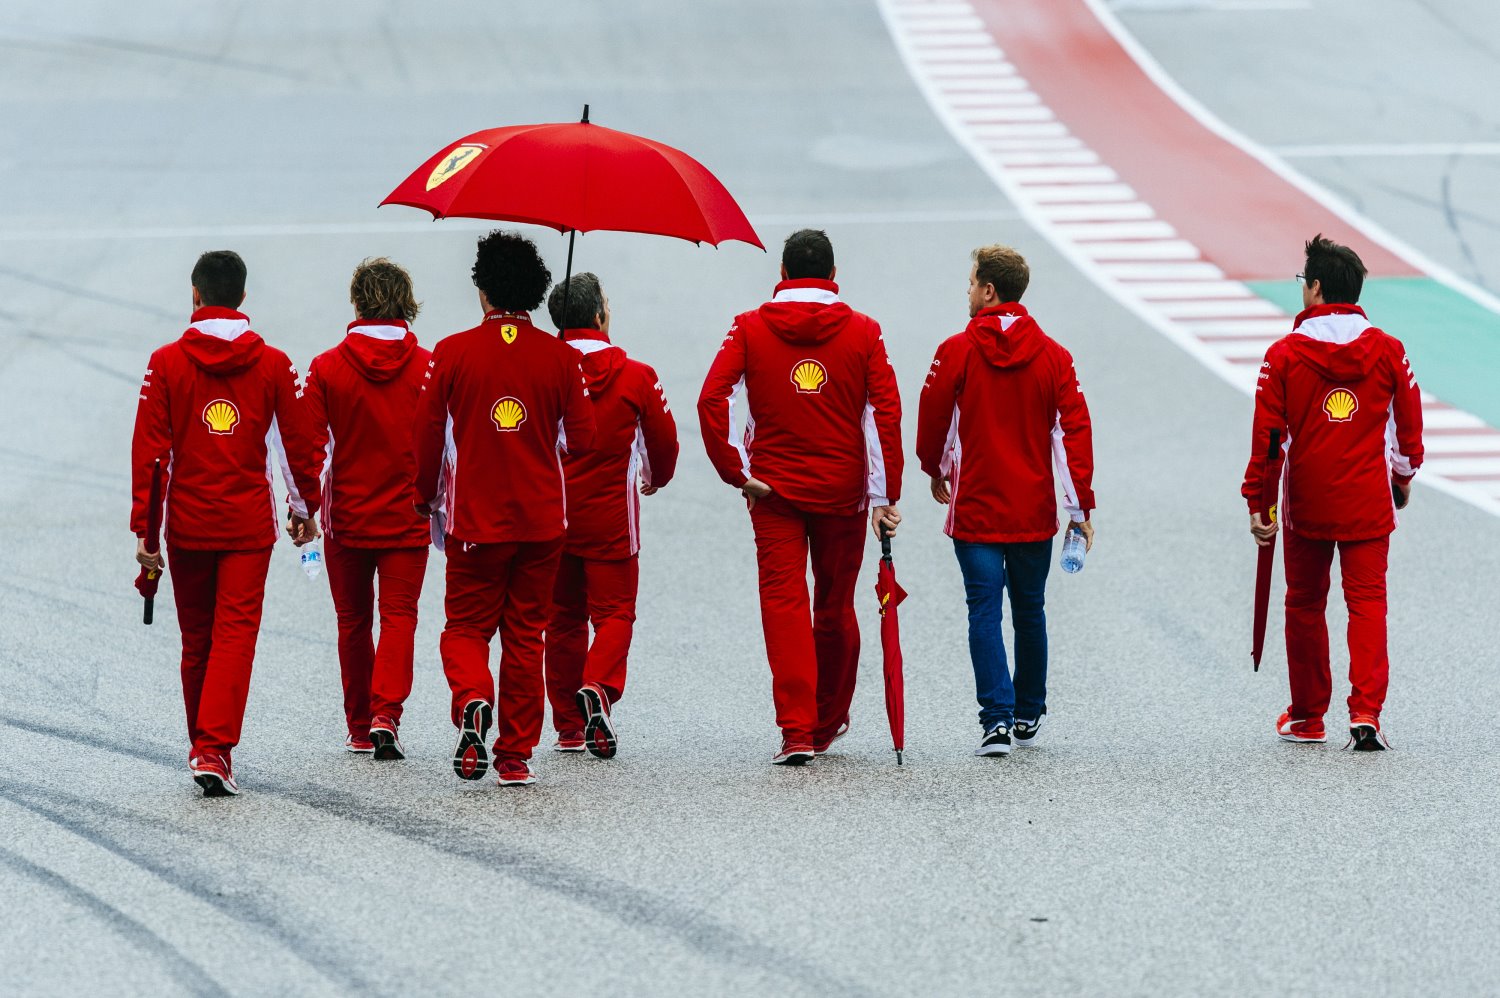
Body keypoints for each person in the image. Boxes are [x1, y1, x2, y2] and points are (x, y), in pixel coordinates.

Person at [697, 229, 903, 766]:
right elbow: (885, 414)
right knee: (834, 606)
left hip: (773, 491)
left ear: (783, 274)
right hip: (843, 493)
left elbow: (711, 396)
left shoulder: (748, 327)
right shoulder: (864, 331)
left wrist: (735, 472)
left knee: (783, 604)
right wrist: (885, 495)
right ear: (834, 278)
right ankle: (827, 718)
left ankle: (795, 730)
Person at [131, 250, 323, 797]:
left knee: (197, 639)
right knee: (235, 634)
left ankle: (204, 746)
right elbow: (298, 446)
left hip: (187, 524)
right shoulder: (274, 364)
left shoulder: (165, 362)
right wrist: (304, 510)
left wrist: (147, 537)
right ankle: (213, 749)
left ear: (195, 295)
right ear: (242, 299)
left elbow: (151, 456)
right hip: (245, 526)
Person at [413, 231, 595, 787]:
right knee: (525, 634)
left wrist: (424, 498)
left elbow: (425, 438)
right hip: (542, 520)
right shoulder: (562, 356)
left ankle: (472, 698)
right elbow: (584, 440)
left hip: (475, 517)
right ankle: (515, 755)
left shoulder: (451, 352)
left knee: (465, 627)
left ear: (483, 290)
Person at [1243, 234, 1423, 751]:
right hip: (1369, 498)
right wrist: (1402, 479)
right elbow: (1409, 431)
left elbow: (1269, 438)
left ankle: (1307, 717)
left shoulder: (1282, 356)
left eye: (1304, 281)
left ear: (1316, 287)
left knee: (1304, 604)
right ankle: (1366, 712)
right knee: (1368, 603)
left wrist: (1261, 502)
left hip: (1308, 502)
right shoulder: (1389, 350)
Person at [915, 245, 1094, 757]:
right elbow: (1072, 435)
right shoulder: (1056, 356)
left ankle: (994, 720)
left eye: (971, 282)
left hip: (975, 507)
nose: (967, 291)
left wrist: (935, 467)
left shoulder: (955, 350)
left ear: (988, 290)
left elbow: (933, 419)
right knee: (1030, 610)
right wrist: (1079, 511)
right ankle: (1028, 710)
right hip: (1033, 511)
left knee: (983, 610)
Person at [543, 273, 679, 759]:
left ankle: (567, 728)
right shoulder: (636, 375)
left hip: (550, 514)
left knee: (561, 621)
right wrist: (656, 476)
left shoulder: (544, 368)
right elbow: (664, 443)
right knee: (616, 613)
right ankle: (598, 687)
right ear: (600, 315)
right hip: (612, 519)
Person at [304, 258, 431, 761]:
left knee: (352, 621)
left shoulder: (326, 367)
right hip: (409, 515)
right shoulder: (429, 366)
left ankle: (359, 725)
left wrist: (303, 510)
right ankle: (387, 716)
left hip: (346, 519)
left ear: (357, 303)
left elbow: (311, 449)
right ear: (407, 305)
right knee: (399, 617)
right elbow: (446, 443)